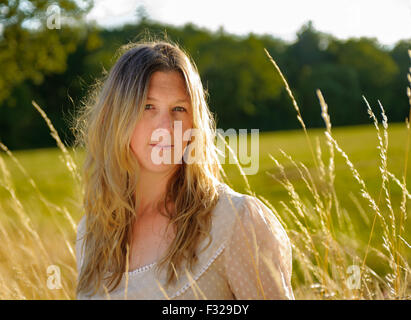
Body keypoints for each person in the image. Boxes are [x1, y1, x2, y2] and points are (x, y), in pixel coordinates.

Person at [73, 39, 294, 300]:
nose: (166, 127)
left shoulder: (235, 220)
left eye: (179, 108)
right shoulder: (93, 232)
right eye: (148, 107)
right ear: (115, 116)